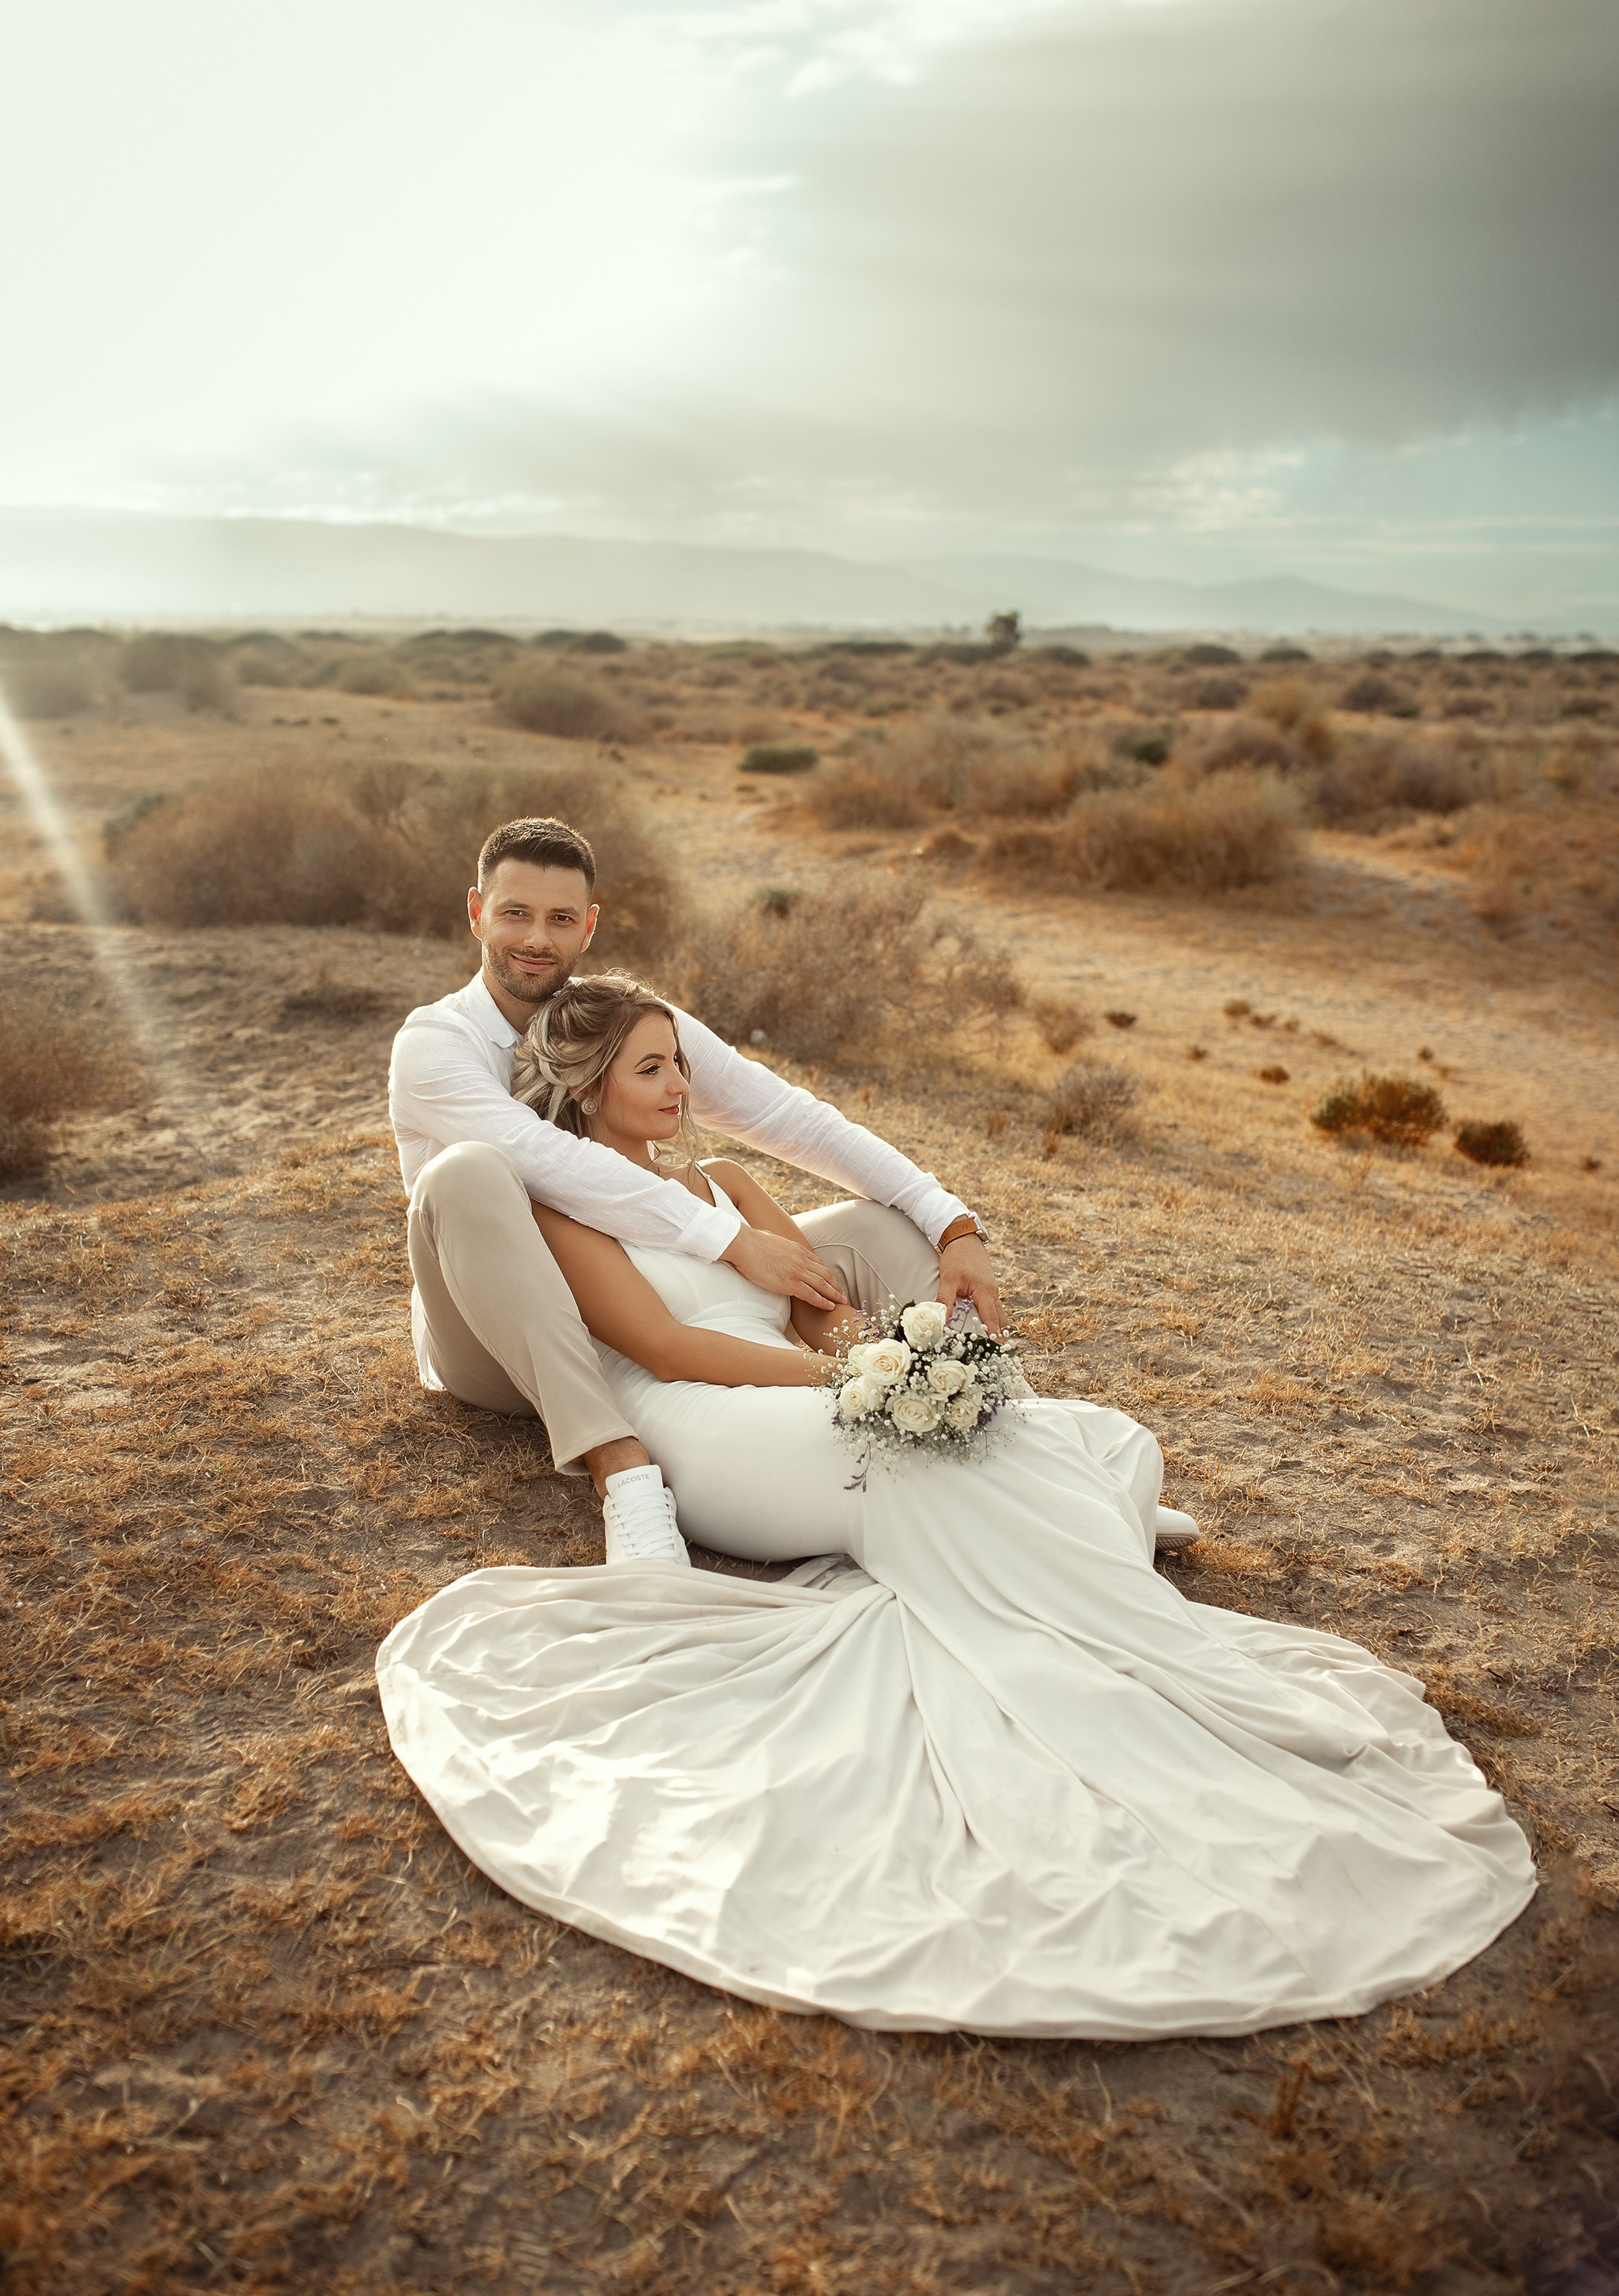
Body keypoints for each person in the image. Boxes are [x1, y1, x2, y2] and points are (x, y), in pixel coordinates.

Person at [376, 974, 1536, 2039]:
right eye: (651, 1070)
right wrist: (859, 1384)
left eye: (680, 1062)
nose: (682, 1086)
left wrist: (887, 1354)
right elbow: (669, 1343)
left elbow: (821, 1306)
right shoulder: (565, 1205)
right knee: (916, 1453)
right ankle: (1081, 1570)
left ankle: (1066, 1535)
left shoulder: (726, 1181)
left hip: (797, 1379)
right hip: (702, 1411)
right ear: (586, 1088)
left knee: (1094, 1429)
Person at [389, 814, 1198, 1567]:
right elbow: (552, 1164)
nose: (536, 939)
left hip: (641, 1281)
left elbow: (790, 1119)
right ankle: (620, 1470)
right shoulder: (436, 1042)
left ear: (590, 924)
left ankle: (1008, 1443)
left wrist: (950, 1222)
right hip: (498, 1336)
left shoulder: (620, 1024)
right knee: (471, 1171)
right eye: (515, 914)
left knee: (887, 1229)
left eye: (560, 919)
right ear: (476, 912)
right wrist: (735, 1245)